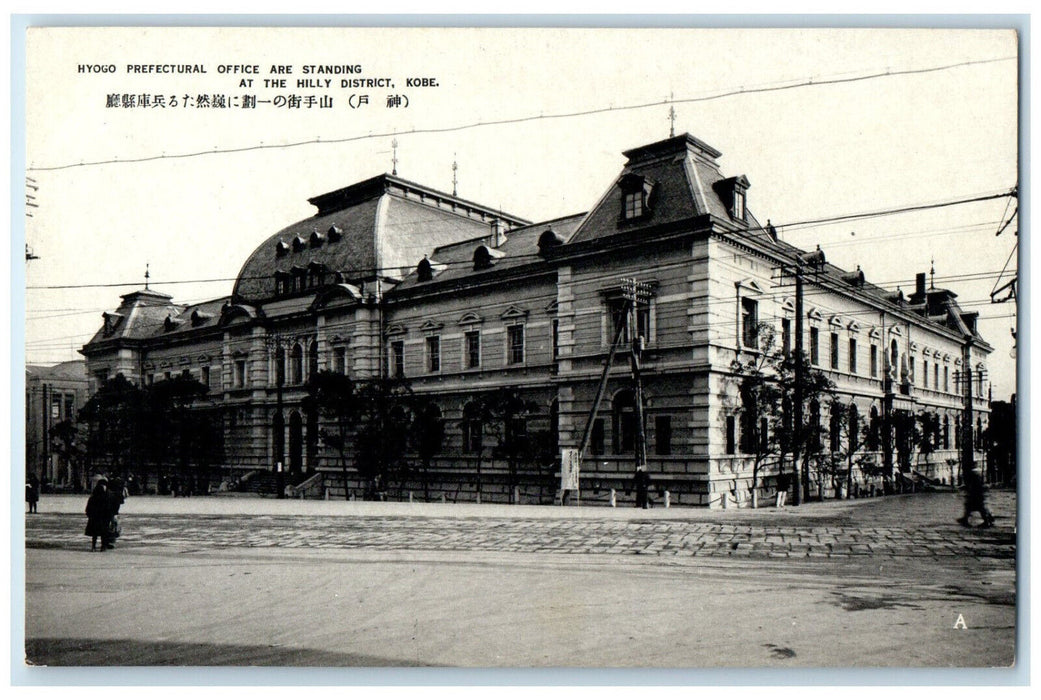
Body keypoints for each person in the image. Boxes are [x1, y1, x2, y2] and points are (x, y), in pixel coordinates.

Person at [84, 479, 113, 552]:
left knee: (95, 534)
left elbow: (88, 508)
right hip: (104, 518)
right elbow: (109, 508)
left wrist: (90, 515)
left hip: (95, 517)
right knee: (104, 533)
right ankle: (103, 547)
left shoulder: (93, 497)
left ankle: (93, 546)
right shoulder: (107, 496)